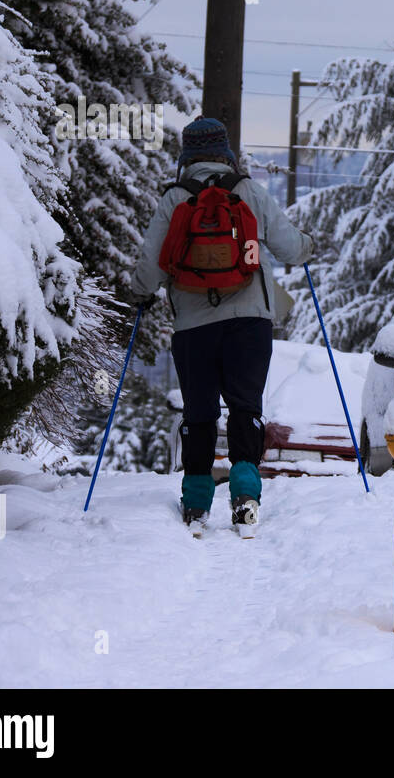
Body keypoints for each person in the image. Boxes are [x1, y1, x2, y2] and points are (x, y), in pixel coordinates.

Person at [128, 116, 314, 536]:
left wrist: (139, 294)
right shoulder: (248, 191)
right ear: (226, 151)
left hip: (193, 327)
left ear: (186, 156)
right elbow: (289, 247)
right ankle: (246, 498)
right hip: (250, 322)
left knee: (199, 413)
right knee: (246, 408)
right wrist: (308, 246)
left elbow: (151, 265)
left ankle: (196, 504)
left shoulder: (175, 199)